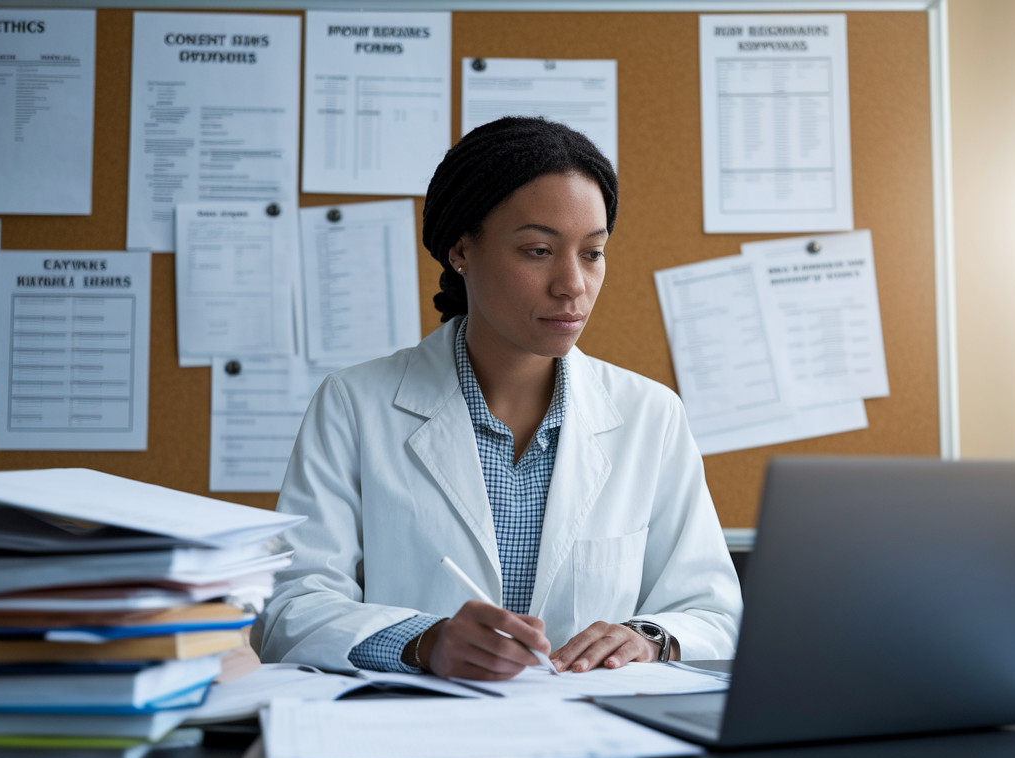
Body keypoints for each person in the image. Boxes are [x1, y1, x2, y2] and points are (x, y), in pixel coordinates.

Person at [253, 117, 741, 681]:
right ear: (461, 249)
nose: (572, 285)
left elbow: (713, 613)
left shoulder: (650, 416)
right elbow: (290, 611)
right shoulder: (353, 405)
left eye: (592, 253)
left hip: (594, 739)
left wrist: (648, 637)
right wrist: (423, 643)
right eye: (538, 250)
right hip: (414, 742)